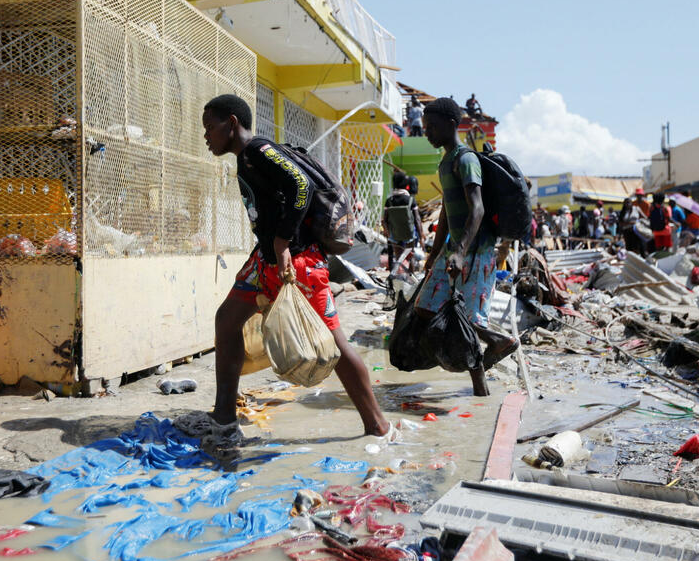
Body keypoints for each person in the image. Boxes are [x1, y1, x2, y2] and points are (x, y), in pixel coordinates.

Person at [197, 94, 392, 446]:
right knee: (227, 320)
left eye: (210, 127)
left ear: (232, 123)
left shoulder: (259, 151)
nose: (207, 136)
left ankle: (377, 423)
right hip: (265, 262)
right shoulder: (247, 159)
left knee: (334, 345)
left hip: (299, 263)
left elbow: (302, 184)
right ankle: (224, 417)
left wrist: (284, 240)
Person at [414, 98, 518, 397]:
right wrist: (435, 252)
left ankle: (497, 349)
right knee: (425, 307)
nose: (428, 133)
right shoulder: (446, 161)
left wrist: (459, 251)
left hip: (476, 251)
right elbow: (447, 211)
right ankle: (490, 355)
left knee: (468, 321)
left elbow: (477, 209)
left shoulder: (465, 159)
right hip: (455, 250)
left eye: (432, 127)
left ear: (450, 124)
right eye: (425, 128)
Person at [382, 172, 424, 273]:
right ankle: (411, 276)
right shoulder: (410, 200)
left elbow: (385, 220)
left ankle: (398, 277)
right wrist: (421, 236)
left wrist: (387, 232)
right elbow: (417, 219)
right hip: (409, 234)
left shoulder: (389, 201)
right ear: (406, 185)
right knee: (410, 256)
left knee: (399, 258)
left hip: (395, 234)